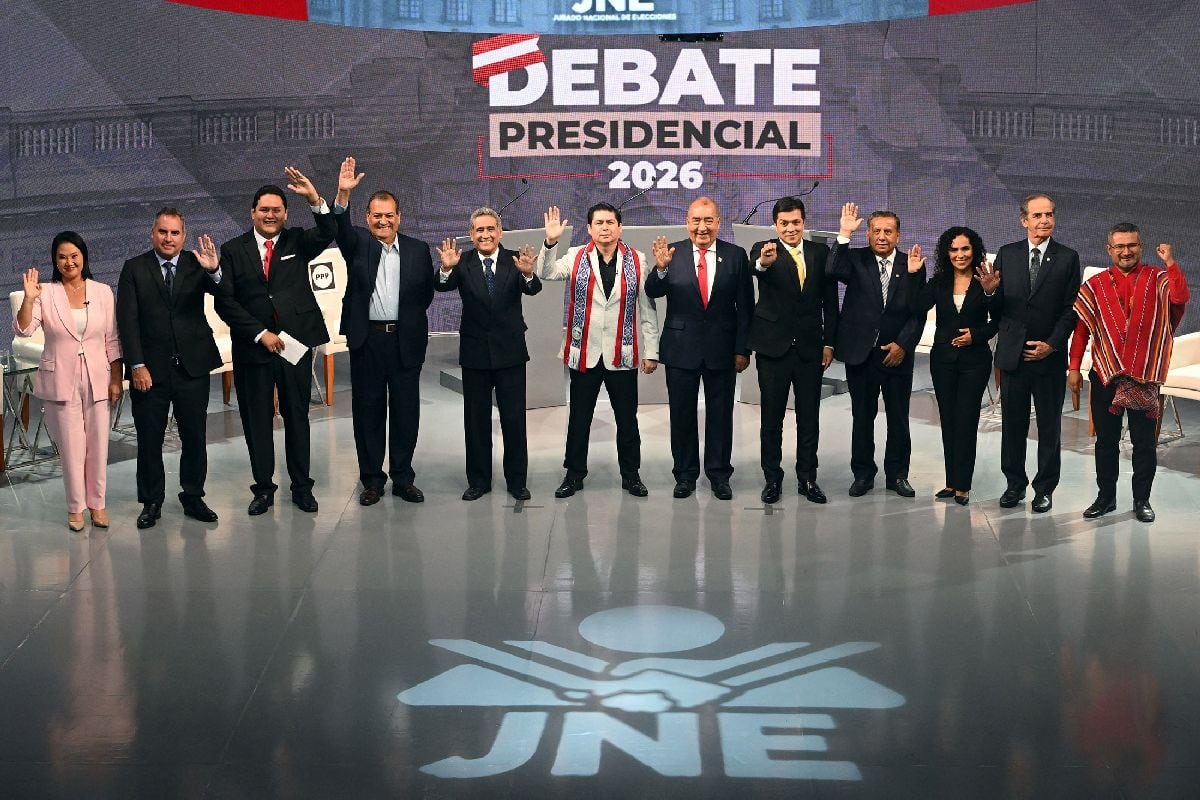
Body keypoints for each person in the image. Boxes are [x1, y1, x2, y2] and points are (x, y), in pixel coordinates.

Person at [214, 168, 336, 515]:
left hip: (294, 346)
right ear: (252, 212)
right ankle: (264, 489)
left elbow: (330, 230)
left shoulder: (297, 240)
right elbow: (226, 302)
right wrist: (259, 333)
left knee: (297, 415)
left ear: (285, 213)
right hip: (254, 347)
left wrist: (314, 199)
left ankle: (301, 487)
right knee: (257, 420)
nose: (270, 216)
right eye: (264, 210)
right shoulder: (233, 250)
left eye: (277, 210)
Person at [536, 203, 660, 499]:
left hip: (622, 352)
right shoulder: (576, 255)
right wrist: (550, 242)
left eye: (610, 222)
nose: (605, 227)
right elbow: (546, 272)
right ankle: (574, 474)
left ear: (620, 227)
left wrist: (651, 351)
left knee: (627, 420)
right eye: (599, 223)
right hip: (585, 353)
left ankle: (631, 475)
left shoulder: (637, 260)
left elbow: (647, 309)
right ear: (589, 228)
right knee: (580, 418)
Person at [1068, 225, 1190, 523]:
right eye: (1119, 246)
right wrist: (1073, 368)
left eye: (1132, 245)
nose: (1126, 251)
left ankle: (1142, 500)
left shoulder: (1159, 279)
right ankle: (1105, 497)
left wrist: (1171, 264)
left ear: (1141, 246)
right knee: (1105, 442)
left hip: (1144, 375)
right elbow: (1082, 331)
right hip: (1105, 374)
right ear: (1109, 249)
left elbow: (1180, 298)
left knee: (1144, 443)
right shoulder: (1094, 285)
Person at [332, 156, 434, 506]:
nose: (383, 220)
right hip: (368, 341)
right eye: (377, 215)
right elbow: (340, 229)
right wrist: (343, 196)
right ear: (367, 218)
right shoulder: (358, 243)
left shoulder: (419, 250)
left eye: (389, 215)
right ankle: (372, 481)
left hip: (405, 342)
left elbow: (425, 295)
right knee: (369, 411)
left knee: (406, 414)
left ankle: (403, 478)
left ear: (399, 217)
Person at [116, 209, 225, 529]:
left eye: (175, 233)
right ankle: (151, 501)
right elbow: (127, 321)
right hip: (149, 372)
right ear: (152, 234)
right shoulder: (134, 268)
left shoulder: (197, 263)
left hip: (192, 368)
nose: (168, 238)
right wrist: (136, 365)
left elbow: (225, 294)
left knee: (195, 436)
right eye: (163, 232)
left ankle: (193, 495)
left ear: (184, 236)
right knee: (150, 439)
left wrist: (215, 270)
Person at [646, 197, 753, 500]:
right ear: (687, 222)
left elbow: (745, 307)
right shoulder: (672, 253)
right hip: (681, 348)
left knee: (720, 415)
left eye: (708, 220)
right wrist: (661, 269)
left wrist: (742, 349)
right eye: (696, 220)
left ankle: (719, 474)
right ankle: (685, 475)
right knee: (681, 414)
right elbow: (652, 291)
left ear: (718, 222)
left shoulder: (735, 256)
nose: (702, 227)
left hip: (723, 349)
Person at [13, 232, 122, 531]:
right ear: (55, 261)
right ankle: (76, 508)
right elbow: (23, 330)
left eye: (74, 255)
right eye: (62, 257)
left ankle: (97, 505)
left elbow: (112, 339)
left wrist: (116, 378)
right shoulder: (44, 292)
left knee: (98, 445)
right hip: (61, 378)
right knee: (72, 449)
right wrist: (29, 299)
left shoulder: (102, 292)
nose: (68, 262)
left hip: (98, 377)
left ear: (84, 257)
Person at [435, 209, 541, 501]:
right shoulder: (462, 261)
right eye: (479, 230)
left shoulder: (515, 259)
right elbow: (441, 285)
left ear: (500, 232)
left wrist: (529, 274)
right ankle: (479, 481)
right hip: (475, 354)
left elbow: (533, 288)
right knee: (476, 420)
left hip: (511, 354)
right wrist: (445, 269)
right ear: (471, 234)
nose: (485, 235)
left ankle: (517, 481)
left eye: (490, 229)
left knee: (514, 420)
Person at [989, 193, 1081, 513]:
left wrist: (1052, 345)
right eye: (1038, 215)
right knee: (1012, 425)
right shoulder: (1007, 254)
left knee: (1049, 426)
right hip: (1013, 356)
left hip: (1049, 357)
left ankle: (1044, 489)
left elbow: (1071, 309)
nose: (1045, 220)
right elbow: (997, 309)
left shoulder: (1068, 257)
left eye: (1049, 215)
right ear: (1023, 220)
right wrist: (988, 293)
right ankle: (1014, 484)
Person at [828, 203, 925, 498]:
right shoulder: (855, 259)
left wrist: (904, 345)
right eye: (876, 231)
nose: (882, 236)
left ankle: (897, 475)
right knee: (862, 416)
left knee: (898, 418)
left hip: (896, 355)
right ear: (867, 233)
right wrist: (844, 233)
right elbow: (831, 270)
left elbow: (917, 312)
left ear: (898, 235)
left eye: (888, 231)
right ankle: (863, 474)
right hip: (862, 353)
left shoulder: (913, 264)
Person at [747, 196, 840, 505]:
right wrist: (764, 262)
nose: (790, 228)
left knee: (808, 418)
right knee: (771, 419)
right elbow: (755, 268)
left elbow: (830, 303)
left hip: (810, 350)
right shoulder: (765, 249)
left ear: (804, 223)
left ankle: (807, 478)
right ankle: (772, 479)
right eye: (784, 223)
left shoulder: (819, 252)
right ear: (775, 225)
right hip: (773, 350)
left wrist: (829, 342)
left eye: (795, 222)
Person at [906, 227, 1000, 505]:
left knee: (966, 420)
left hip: (975, 361)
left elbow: (998, 320)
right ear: (946, 253)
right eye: (954, 250)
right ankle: (951, 482)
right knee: (948, 420)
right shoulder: (939, 282)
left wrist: (977, 332)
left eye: (965, 249)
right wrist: (913, 275)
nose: (960, 255)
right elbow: (916, 306)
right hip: (943, 361)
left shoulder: (986, 280)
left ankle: (963, 485)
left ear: (975, 251)